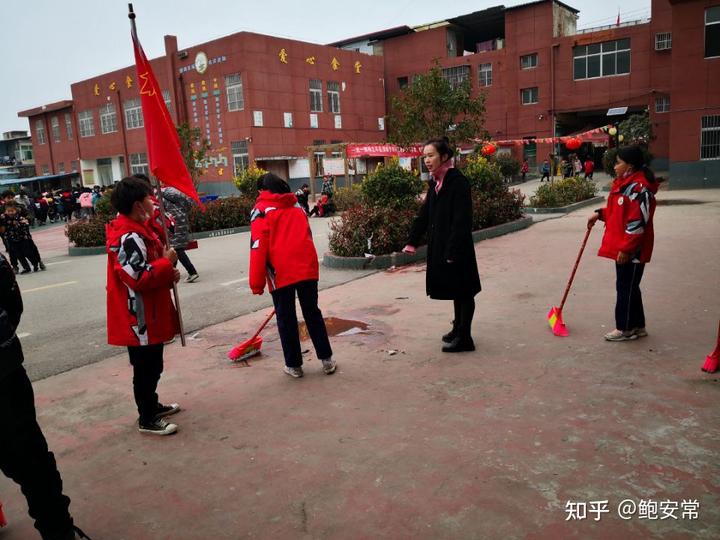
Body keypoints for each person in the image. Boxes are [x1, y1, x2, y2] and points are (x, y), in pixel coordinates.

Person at [0, 251, 91, 540]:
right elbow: (11, 306)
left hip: (5, 374)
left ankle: (58, 530)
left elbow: (10, 304)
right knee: (31, 462)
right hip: (4, 372)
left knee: (31, 462)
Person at [106, 177, 181, 435]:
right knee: (145, 368)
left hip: (149, 313)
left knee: (153, 365)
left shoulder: (140, 231)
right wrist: (165, 264)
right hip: (138, 318)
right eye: (149, 198)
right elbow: (136, 277)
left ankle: (152, 405)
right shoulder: (128, 237)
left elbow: (152, 271)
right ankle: (146, 418)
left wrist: (168, 272)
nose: (153, 202)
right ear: (139, 205)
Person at [249, 172, 336, 378]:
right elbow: (307, 234)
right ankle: (327, 360)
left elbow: (257, 246)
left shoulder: (260, 210)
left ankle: (294, 365)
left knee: (286, 318)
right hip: (306, 266)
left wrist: (256, 283)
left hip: (280, 272)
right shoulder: (297, 206)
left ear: (262, 190)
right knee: (312, 313)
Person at [402, 138, 481, 353]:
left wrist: (452, 250)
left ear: (444, 157)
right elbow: (425, 214)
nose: (426, 160)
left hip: (458, 247)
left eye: (431, 155)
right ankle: (458, 328)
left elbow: (462, 220)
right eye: (424, 156)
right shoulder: (435, 182)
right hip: (443, 246)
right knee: (457, 289)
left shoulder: (458, 182)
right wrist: (412, 240)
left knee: (465, 291)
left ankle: (466, 338)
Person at [587, 145, 658, 342]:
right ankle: (638, 326)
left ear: (630, 165)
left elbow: (637, 222)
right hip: (625, 245)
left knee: (625, 287)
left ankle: (625, 328)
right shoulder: (624, 185)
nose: (615, 166)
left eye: (618, 162)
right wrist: (600, 214)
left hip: (633, 249)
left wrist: (627, 249)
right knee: (630, 286)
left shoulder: (639, 189)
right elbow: (617, 212)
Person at [162, 186, 199, 283]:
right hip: (182, 221)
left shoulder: (161, 193)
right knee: (175, 248)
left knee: (177, 249)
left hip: (172, 223)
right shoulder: (179, 192)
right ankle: (171, 271)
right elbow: (188, 205)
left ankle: (192, 272)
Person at [1, 201, 46, 273]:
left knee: (27, 252)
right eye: (8, 211)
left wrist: (23, 223)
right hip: (11, 239)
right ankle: (26, 268)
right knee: (18, 255)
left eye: (12, 211)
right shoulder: (4, 218)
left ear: (15, 210)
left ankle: (35, 264)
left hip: (23, 238)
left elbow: (26, 223)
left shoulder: (20, 217)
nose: (10, 213)